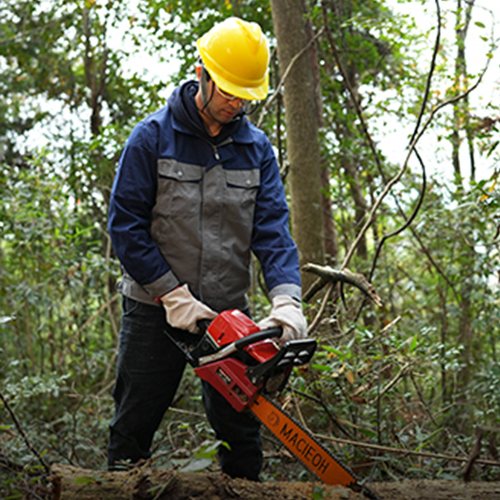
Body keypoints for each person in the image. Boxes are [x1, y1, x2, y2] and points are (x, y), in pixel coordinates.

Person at [107, 16, 308, 481]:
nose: (235, 102)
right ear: (203, 74)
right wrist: (172, 295)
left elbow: (273, 231)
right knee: (134, 426)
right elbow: (126, 227)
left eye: (244, 94)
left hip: (227, 315)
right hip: (155, 311)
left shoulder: (257, 150)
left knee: (241, 431)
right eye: (228, 91)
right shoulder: (151, 138)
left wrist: (286, 300)